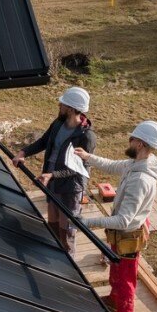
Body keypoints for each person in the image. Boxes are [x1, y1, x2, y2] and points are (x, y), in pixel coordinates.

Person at [73, 121, 157, 312]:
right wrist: (89, 157)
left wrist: (88, 222)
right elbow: (114, 165)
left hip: (129, 234)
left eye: (132, 138)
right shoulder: (138, 163)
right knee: (116, 269)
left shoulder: (141, 179)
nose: (128, 141)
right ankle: (114, 301)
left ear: (140, 144)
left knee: (126, 281)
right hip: (123, 233)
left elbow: (124, 220)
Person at [12, 87, 96, 256]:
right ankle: (54, 258)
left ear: (71, 109)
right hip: (52, 184)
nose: (59, 105)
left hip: (70, 189)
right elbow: (43, 142)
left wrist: (53, 175)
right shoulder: (58, 124)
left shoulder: (86, 137)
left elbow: (78, 169)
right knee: (53, 226)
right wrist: (23, 153)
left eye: (62, 103)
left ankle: (69, 265)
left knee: (67, 231)